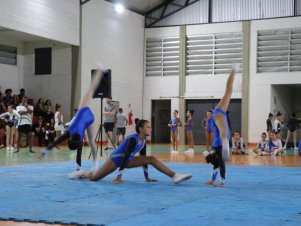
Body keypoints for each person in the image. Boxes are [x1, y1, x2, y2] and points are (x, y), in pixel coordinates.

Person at [68, 119, 192, 185]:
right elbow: (125, 156)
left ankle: (175, 176)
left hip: (126, 160)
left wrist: (147, 178)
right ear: (140, 129)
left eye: (150, 127)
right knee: (94, 178)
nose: (151, 129)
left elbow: (144, 160)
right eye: (148, 127)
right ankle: (82, 173)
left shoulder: (143, 141)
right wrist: (118, 176)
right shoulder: (133, 139)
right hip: (116, 159)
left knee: (151, 159)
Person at [36, 69, 104, 171]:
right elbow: (56, 142)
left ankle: (94, 162)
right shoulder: (70, 132)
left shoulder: (79, 140)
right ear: (70, 139)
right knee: (89, 90)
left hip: (89, 118)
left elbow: (78, 155)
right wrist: (44, 151)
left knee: (91, 140)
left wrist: (78, 171)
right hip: (83, 112)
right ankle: (99, 72)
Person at [205, 64, 239, 187]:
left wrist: (221, 182)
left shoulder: (214, 117)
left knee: (220, 160)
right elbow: (217, 164)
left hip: (220, 137)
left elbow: (220, 164)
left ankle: (221, 181)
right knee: (229, 91)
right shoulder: (215, 115)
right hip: (220, 117)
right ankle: (234, 70)